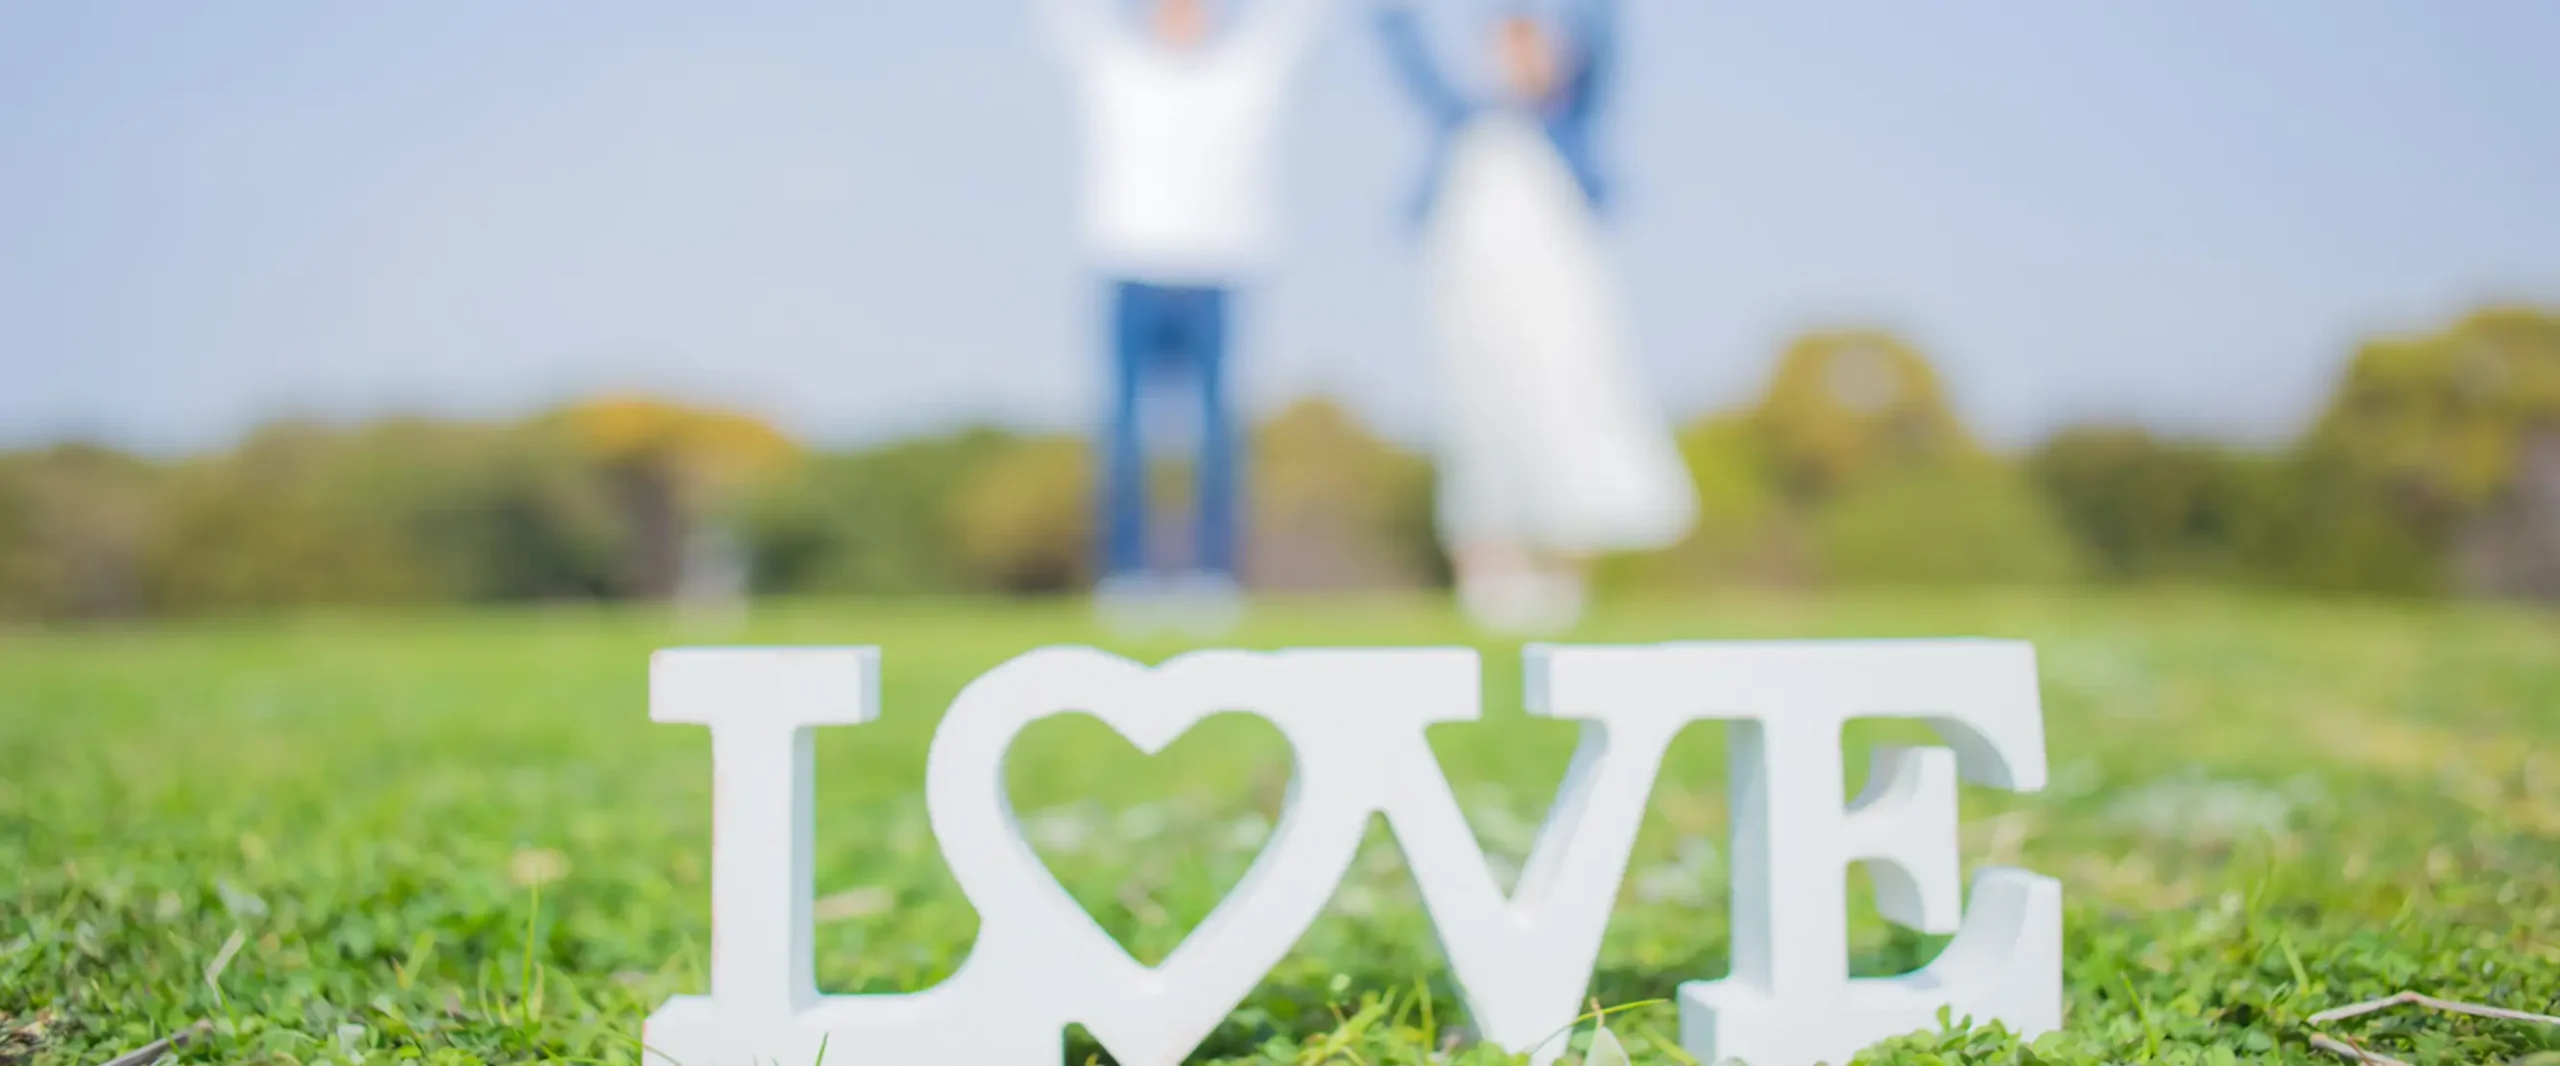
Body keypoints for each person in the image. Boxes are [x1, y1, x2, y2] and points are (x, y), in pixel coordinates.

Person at [1373, 0, 1696, 634]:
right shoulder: (1463, 123)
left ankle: (1565, 579)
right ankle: (1490, 577)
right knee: (1479, 427)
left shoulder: (1569, 122)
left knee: (1565, 416)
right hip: (1473, 305)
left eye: (1531, 46)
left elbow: (1605, 34)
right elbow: (1406, 52)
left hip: (1554, 305)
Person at [1036, 0, 1331, 631]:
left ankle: (1213, 577)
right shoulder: (1113, 64)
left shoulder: (1247, 67)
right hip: (1128, 265)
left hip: (1220, 270)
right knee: (1124, 432)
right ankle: (1125, 576)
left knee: (1219, 433)